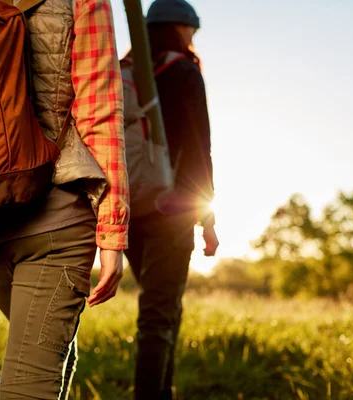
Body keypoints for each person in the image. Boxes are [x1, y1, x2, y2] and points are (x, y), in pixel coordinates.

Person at [0, 0, 129, 398]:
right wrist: (112, 231)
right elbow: (98, 110)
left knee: (42, 359)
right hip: (56, 222)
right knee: (30, 383)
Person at [123, 0, 219, 398]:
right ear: (182, 29)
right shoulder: (183, 71)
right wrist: (208, 221)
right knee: (159, 317)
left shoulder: (128, 74)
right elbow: (200, 150)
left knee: (161, 310)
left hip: (130, 208)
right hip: (172, 210)